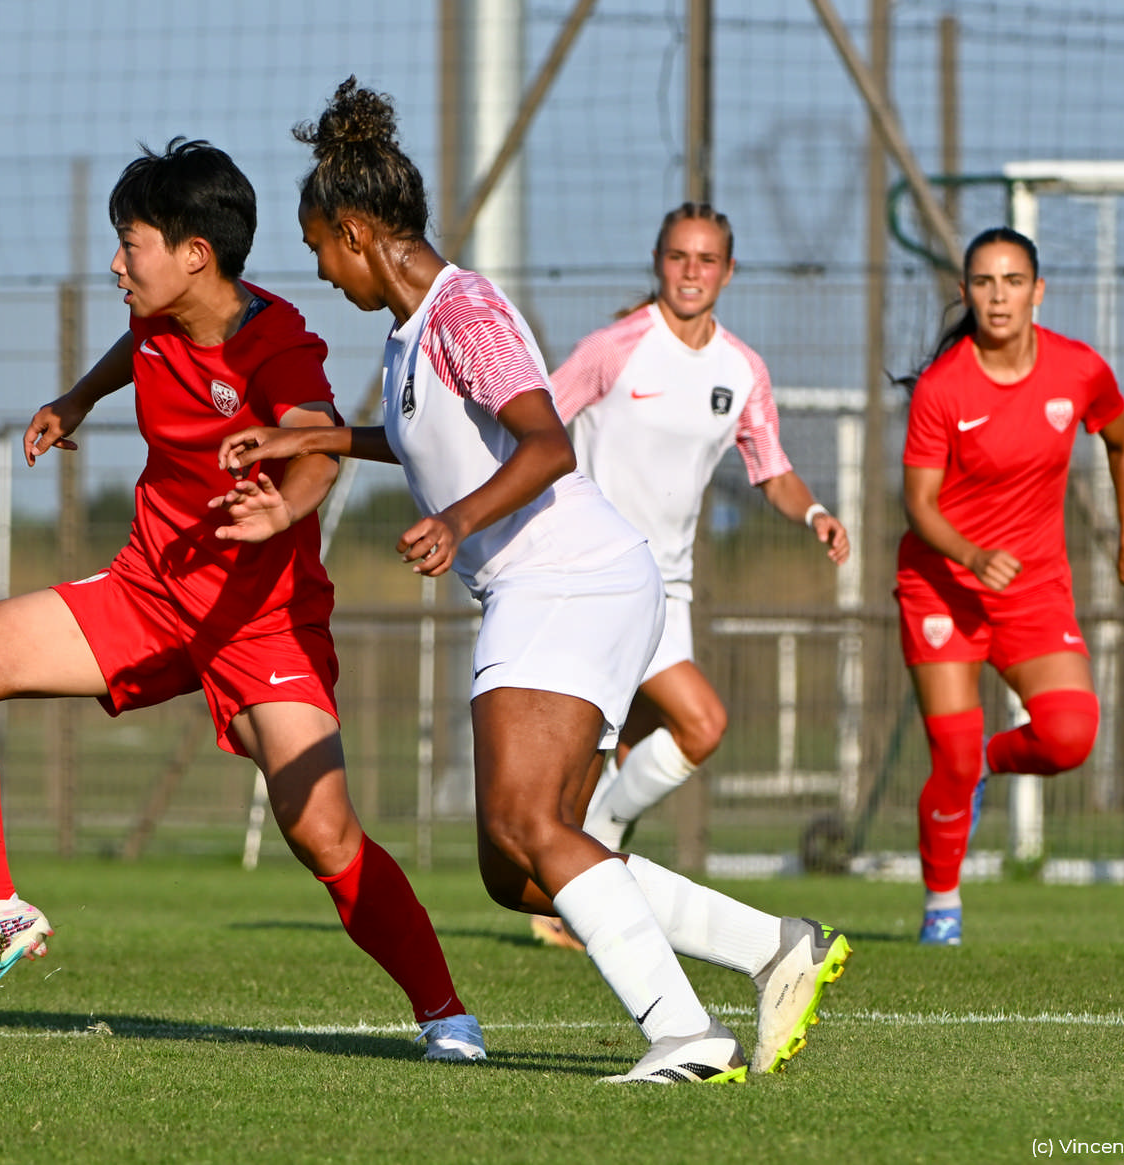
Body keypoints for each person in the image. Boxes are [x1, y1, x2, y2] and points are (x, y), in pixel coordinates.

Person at [219, 78, 850, 1082]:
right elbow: (446, 442)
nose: (324, 275)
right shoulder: (414, 329)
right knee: (516, 869)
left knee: (527, 826)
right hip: (546, 585)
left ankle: (686, 1035)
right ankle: (774, 946)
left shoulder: (463, 310)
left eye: (320, 251)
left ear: (353, 229)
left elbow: (547, 443)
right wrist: (330, 433)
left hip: (570, 576)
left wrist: (454, 521)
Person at [0, 137, 486, 1061]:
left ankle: (446, 1012)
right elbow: (134, 353)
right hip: (149, 597)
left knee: (324, 834)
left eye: (131, 245)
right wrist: (76, 401)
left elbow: (319, 442)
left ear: (194, 254)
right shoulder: (157, 321)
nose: (116, 264)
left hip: (262, 624)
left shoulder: (278, 342)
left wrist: (281, 506)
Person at [547, 203, 850, 865]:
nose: (692, 271)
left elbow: (772, 469)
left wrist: (814, 513)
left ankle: (576, 887)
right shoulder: (614, 347)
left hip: (670, 588)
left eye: (706, 259)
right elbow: (537, 421)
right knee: (700, 723)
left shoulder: (741, 370)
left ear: (728, 271)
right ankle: (590, 849)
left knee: (635, 748)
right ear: (658, 262)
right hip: (598, 575)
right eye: (679, 256)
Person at [898, 227, 1124, 946]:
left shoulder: (1078, 370)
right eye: (984, 282)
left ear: (1038, 291)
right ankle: (942, 906)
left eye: (1013, 280)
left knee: (1070, 735)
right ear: (965, 292)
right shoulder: (944, 386)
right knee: (947, 754)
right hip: (942, 585)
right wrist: (972, 555)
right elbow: (919, 502)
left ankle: (989, 761)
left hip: (1033, 588)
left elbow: (1123, 443)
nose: (998, 295)